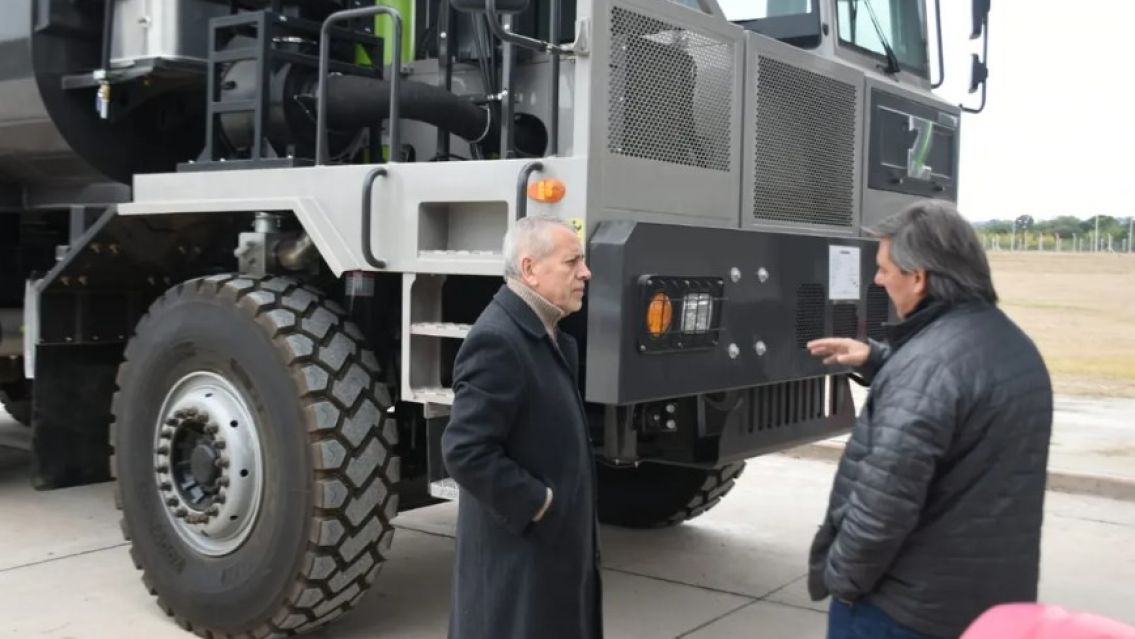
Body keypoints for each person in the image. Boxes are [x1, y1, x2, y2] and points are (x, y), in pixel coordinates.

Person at [806, 200, 1054, 639]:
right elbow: (961, 407)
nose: (878, 280)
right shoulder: (1014, 347)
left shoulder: (928, 366)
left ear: (918, 277)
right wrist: (881, 360)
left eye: (884, 269)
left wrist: (842, 582)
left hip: (902, 612)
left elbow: (882, 506)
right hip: (986, 609)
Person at [441, 215, 601, 639]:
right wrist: (539, 503)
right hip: (521, 567)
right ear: (530, 269)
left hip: (547, 563)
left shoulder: (546, 335)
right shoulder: (498, 341)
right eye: (572, 262)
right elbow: (465, 449)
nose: (585, 273)